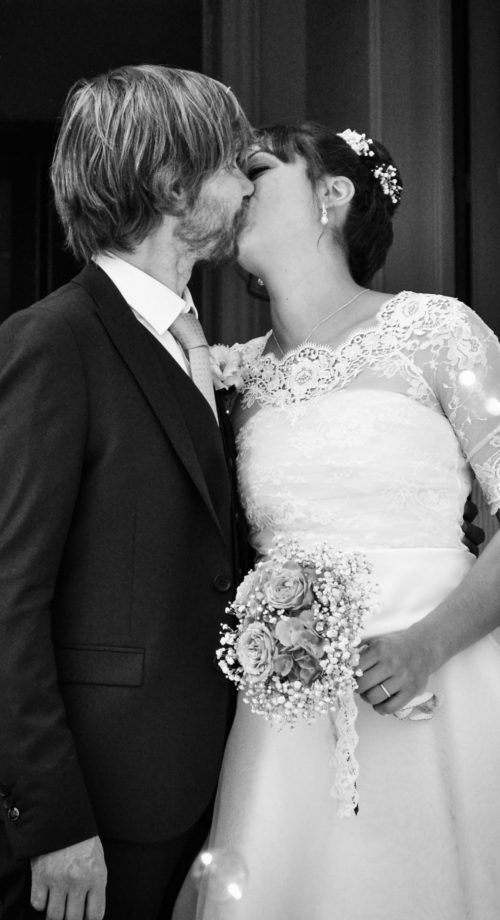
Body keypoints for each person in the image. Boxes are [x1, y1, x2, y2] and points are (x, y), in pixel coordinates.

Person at [187, 123, 500, 919]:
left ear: (332, 194)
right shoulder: (230, 374)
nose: (235, 184)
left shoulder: (437, 332)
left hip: (445, 685)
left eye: (257, 167)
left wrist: (429, 645)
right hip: (286, 721)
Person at [0, 64, 254, 920]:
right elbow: (8, 596)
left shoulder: (192, 338)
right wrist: (50, 819)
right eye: (230, 163)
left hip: (209, 785)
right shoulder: (53, 343)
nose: (247, 179)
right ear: (171, 183)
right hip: (95, 815)